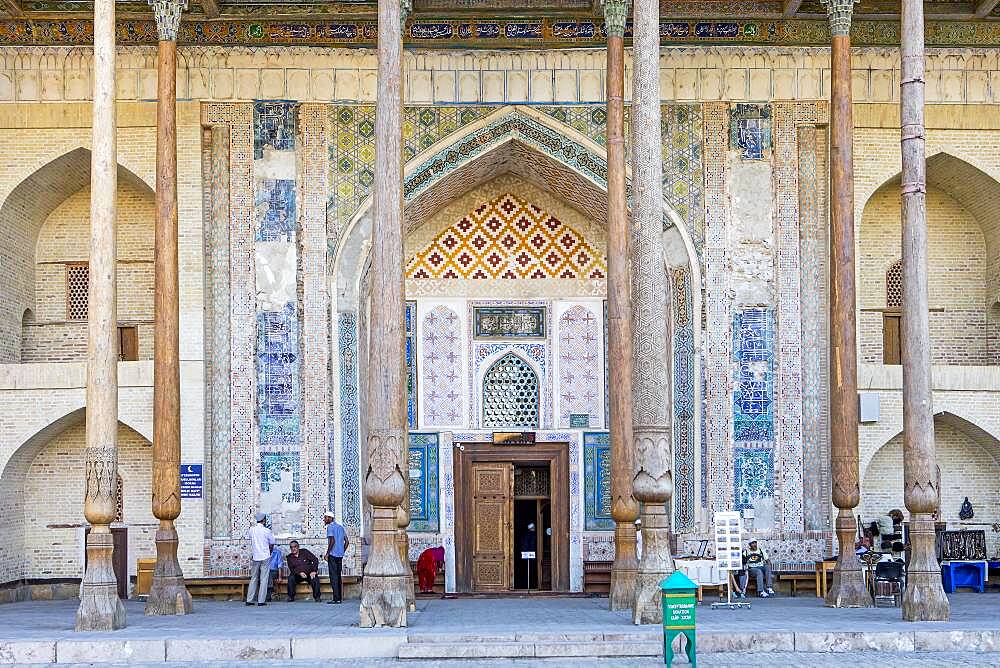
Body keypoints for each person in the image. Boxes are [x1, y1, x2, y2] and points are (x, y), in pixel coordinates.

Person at [246, 512, 275, 607]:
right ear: (264, 520)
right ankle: (261, 601)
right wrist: (269, 552)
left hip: (255, 557)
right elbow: (272, 543)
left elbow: (251, 539)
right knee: (264, 579)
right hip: (265, 556)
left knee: (254, 578)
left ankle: (249, 599)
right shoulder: (267, 531)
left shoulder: (251, 530)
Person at [324, 511, 349, 605]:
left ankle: (335, 598)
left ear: (330, 518)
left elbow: (332, 541)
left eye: (326, 517)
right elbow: (347, 542)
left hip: (333, 555)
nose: (324, 519)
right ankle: (339, 598)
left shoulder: (330, 527)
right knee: (338, 576)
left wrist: (327, 553)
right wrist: (342, 551)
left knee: (333, 577)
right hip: (340, 556)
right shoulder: (341, 527)